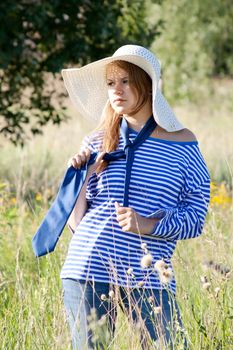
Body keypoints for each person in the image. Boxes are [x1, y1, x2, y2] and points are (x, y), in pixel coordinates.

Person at [60, 45, 210, 349]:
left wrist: (148, 223)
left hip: (150, 273)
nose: (117, 90)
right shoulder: (96, 141)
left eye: (126, 81)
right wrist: (78, 178)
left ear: (148, 84)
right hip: (88, 267)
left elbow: (196, 219)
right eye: (111, 83)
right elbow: (77, 224)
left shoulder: (183, 143)